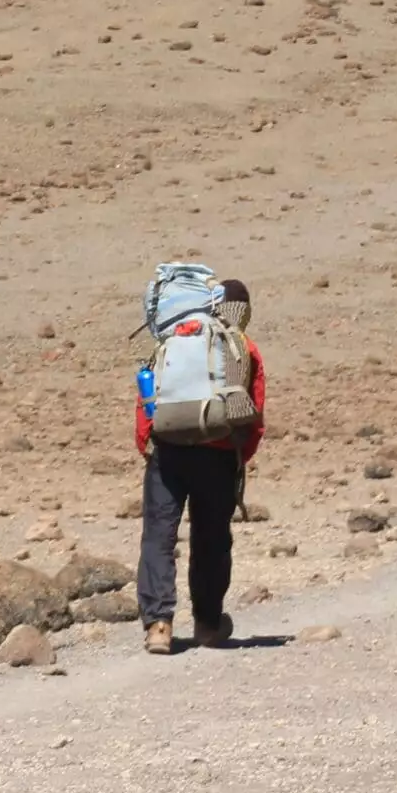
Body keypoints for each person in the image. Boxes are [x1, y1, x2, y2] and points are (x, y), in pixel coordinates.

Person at [135, 277, 265, 654]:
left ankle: (158, 624)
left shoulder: (178, 337)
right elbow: (255, 412)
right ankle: (208, 624)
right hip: (219, 453)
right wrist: (239, 455)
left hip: (168, 450)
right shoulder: (242, 347)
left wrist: (147, 443)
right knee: (211, 539)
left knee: (159, 537)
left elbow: (149, 396)